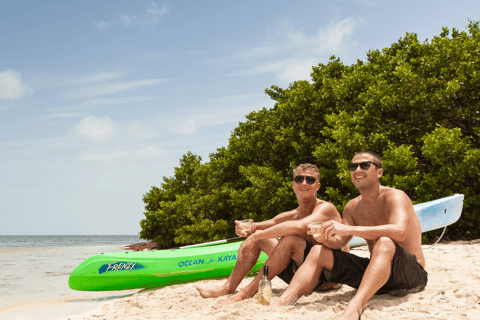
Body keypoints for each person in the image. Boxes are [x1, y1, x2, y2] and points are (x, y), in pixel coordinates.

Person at [270, 151, 428, 320]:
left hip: (410, 275)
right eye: (353, 166)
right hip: (378, 276)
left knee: (384, 242)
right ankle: (284, 300)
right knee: (318, 251)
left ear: (379, 172)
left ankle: (355, 307)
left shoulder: (395, 196)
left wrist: (349, 230)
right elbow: (339, 244)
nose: (358, 169)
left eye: (365, 165)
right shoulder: (352, 207)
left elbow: (399, 232)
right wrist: (324, 238)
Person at [195, 163, 344, 309]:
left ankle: (246, 292)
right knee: (261, 236)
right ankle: (228, 287)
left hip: (329, 278)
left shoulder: (326, 208)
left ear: (317, 186)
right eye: (299, 179)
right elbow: (263, 225)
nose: (304, 183)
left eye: (310, 180)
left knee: (289, 240)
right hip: (302, 277)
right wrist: (247, 229)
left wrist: (256, 235)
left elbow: (300, 226)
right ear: (293, 184)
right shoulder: (292, 214)